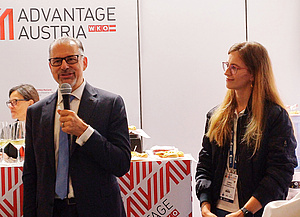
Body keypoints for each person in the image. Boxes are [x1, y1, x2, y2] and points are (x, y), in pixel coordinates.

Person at [22, 36, 131, 217]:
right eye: (57, 61)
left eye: (71, 59)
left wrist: (85, 132)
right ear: (50, 67)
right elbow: (31, 173)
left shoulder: (110, 104)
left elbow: (121, 164)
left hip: (98, 210)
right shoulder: (36, 112)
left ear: (84, 62)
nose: (64, 66)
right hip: (51, 210)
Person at [195, 41, 297, 217]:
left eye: (234, 67)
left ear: (253, 74)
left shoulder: (274, 117)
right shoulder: (215, 116)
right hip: (218, 210)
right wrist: (205, 206)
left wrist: (245, 212)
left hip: (256, 212)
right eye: (227, 65)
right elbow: (204, 165)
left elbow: (279, 173)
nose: (227, 72)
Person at [4, 84, 39, 159]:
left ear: (30, 103)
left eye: (15, 102)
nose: (10, 106)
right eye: (10, 102)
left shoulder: (44, 128)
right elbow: (4, 153)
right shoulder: (9, 130)